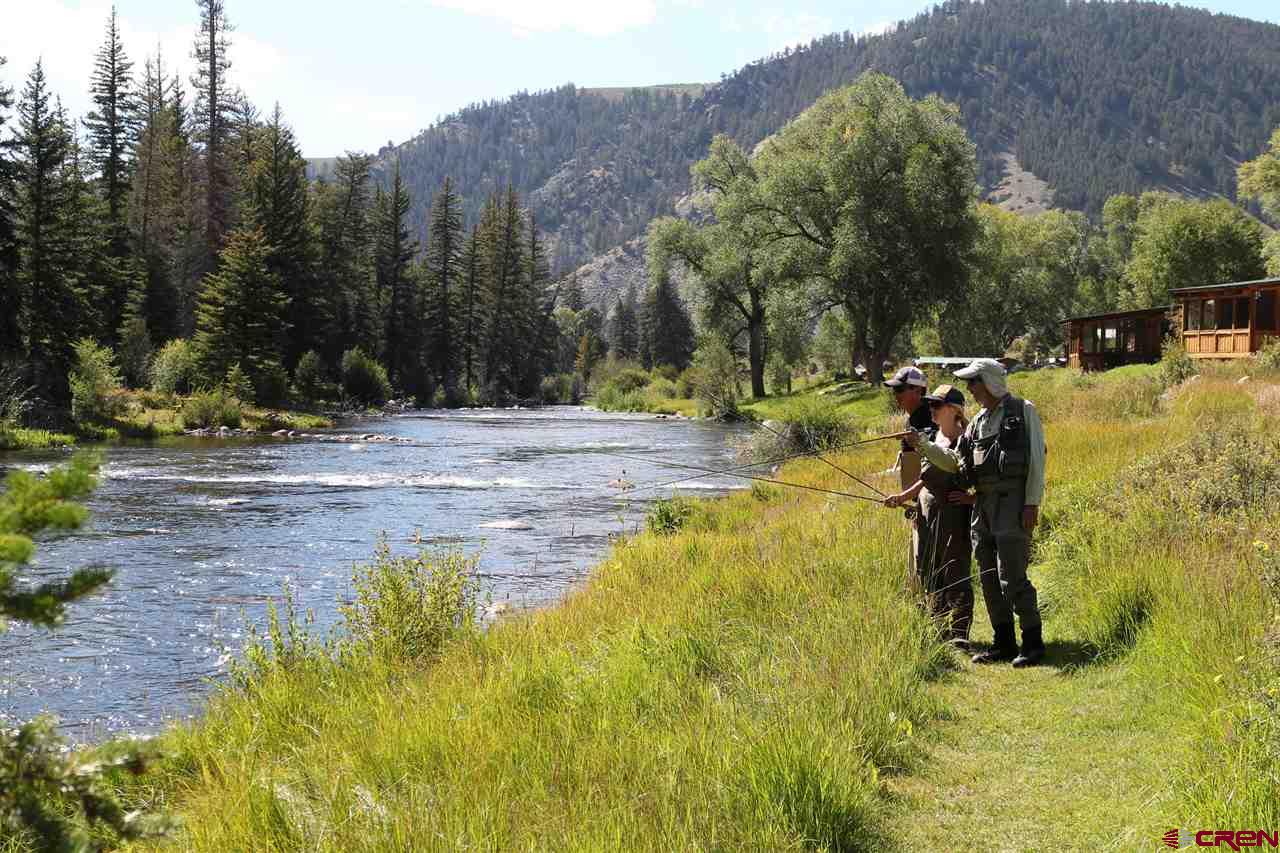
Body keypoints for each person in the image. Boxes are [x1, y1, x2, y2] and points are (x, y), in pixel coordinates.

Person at [909, 358, 1047, 668]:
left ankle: (1033, 642)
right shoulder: (978, 422)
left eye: (973, 382)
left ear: (988, 382)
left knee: (1012, 577)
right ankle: (1003, 642)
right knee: (987, 578)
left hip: (1013, 506)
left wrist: (1031, 504)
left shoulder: (1024, 410)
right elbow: (954, 462)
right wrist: (923, 445)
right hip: (982, 508)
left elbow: (1038, 461)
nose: (969, 389)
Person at [884, 384, 976, 649]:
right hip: (926, 510)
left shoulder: (966, 438)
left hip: (952, 513)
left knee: (955, 569)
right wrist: (903, 498)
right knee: (929, 569)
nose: (931, 410)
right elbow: (926, 478)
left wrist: (972, 498)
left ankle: (959, 633)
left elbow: (976, 474)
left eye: (937, 405)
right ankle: (937, 627)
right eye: (931, 405)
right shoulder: (935, 436)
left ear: (954, 409)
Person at [883, 366, 934, 579]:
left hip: (928, 500)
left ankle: (932, 599)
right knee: (917, 552)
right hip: (916, 500)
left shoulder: (930, 417)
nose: (896, 396)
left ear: (917, 390)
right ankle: (922, 594)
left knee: (927, 553)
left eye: (900, 390)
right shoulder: (912, 418)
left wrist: (905, 497)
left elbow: (933, 469)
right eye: (894, 391)